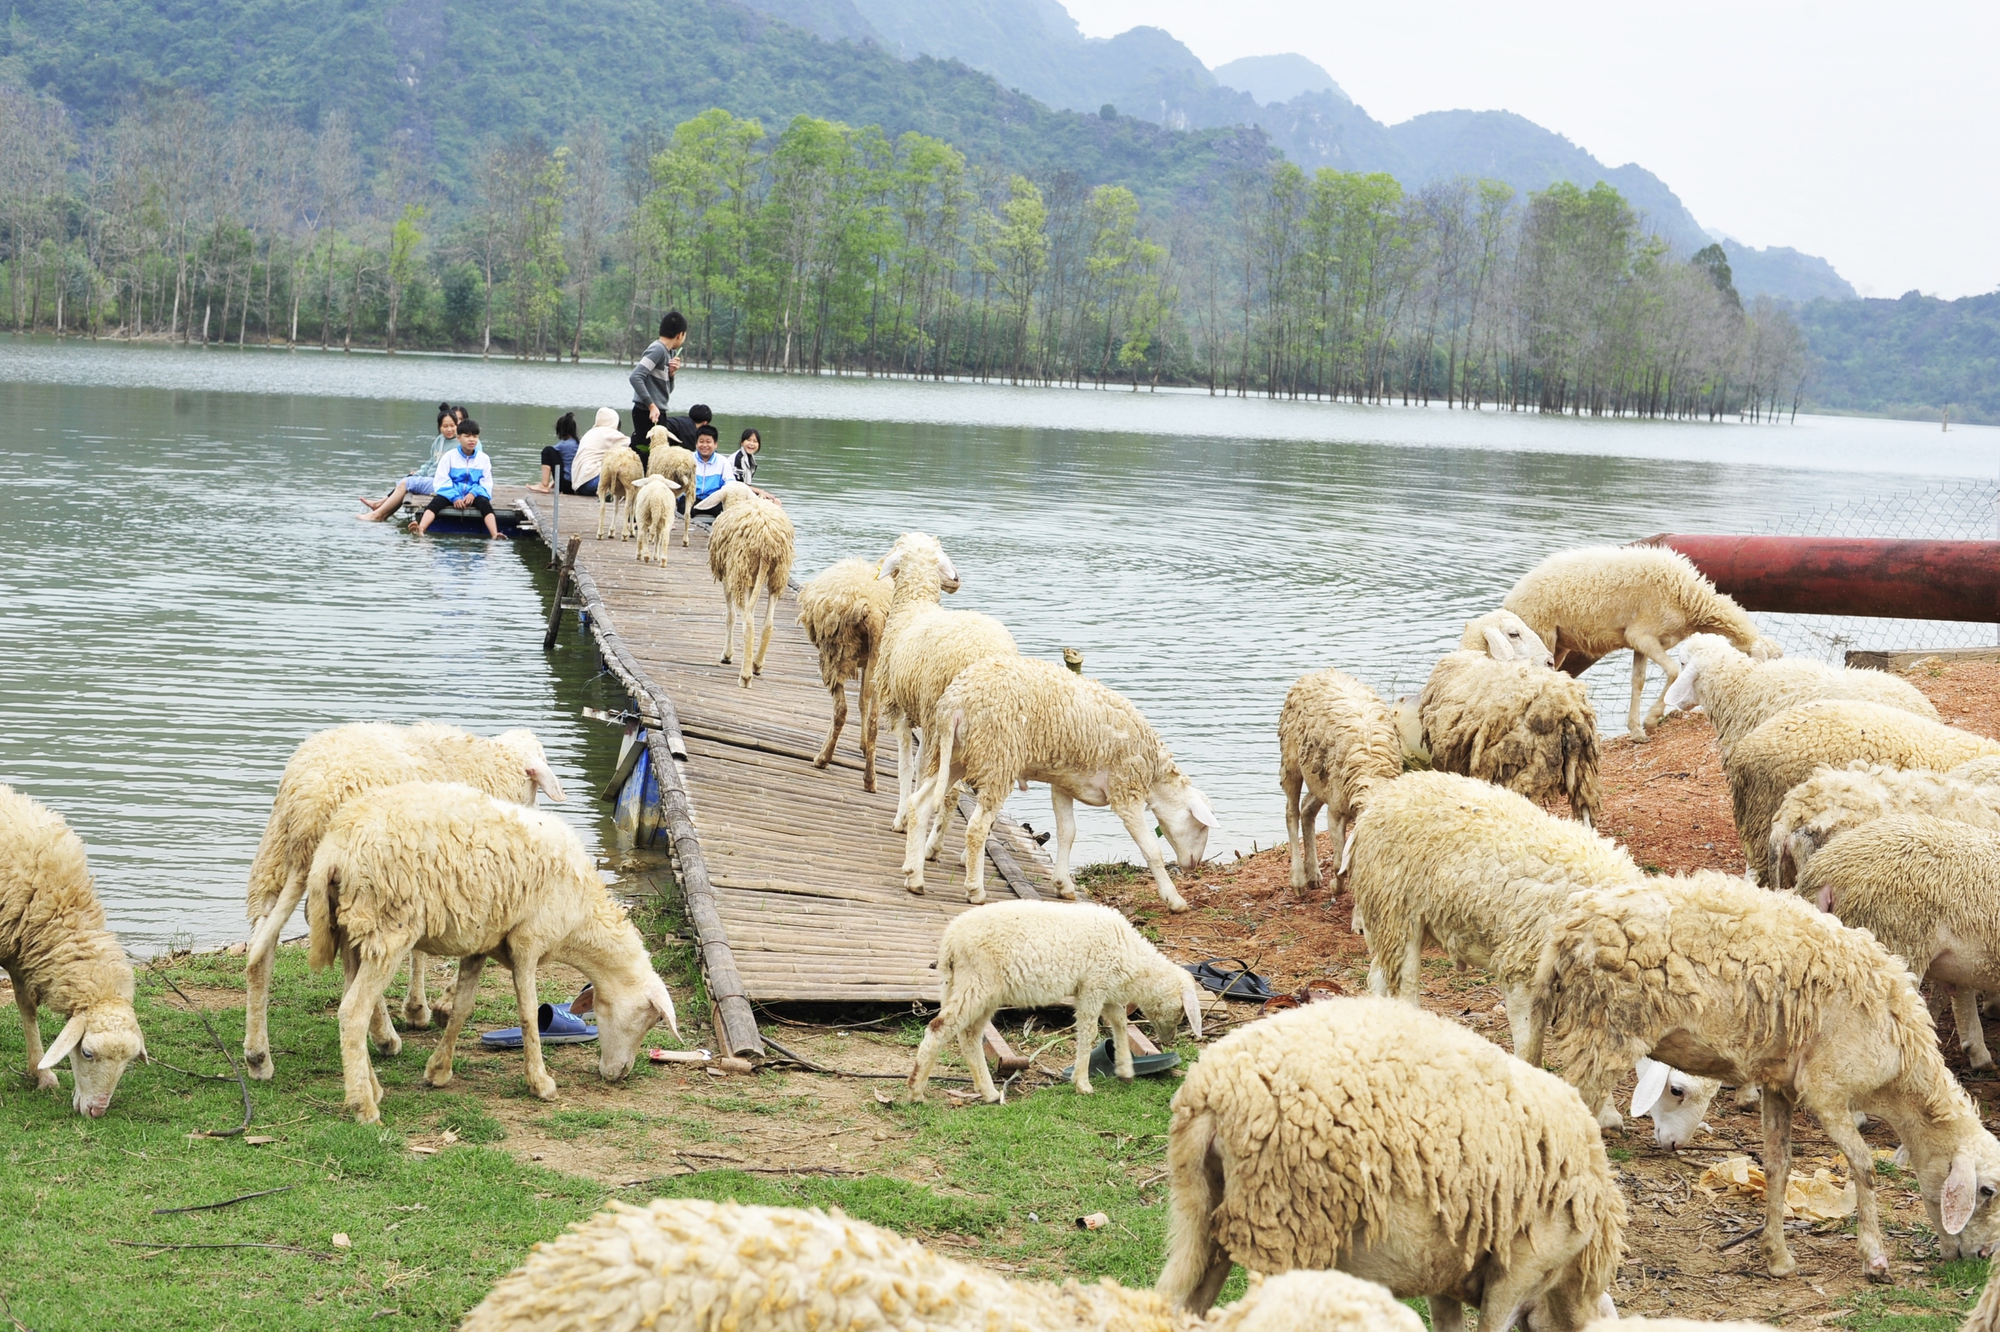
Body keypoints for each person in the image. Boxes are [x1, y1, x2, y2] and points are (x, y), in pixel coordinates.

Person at [416, 419, 503, 539]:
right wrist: (455, 496)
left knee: (485, 504)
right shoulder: (449, 457)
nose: (472, 440)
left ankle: (494, 534)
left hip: (473, 494)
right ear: (459, 438)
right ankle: (421, 529)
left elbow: (486, 482)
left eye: (475, 436)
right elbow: (441, 480)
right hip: (452, 492)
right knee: (436, 502)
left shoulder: (484, 459)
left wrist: (473, 493)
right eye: (467, 436)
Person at [629, 311, 688, 461]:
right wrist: (651, 405)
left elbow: (665, 391)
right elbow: (636, 377)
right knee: (647, 456)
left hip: (657, 411)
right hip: (646, 412)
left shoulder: (669, 353)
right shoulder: (658, 350)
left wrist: (671, 375)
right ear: (680, 334)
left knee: (657, 456)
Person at [568, 407, 629, 498]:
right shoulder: (608, 433)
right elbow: (631, 444)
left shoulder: (590, 433)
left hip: (579, 485)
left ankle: (605, 490)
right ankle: (605, 490)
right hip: (593, 482)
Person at [682, 424, 733, 521]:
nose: (704, 445)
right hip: (692, 498)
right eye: (701, 441)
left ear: (715, 444)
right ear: (696, 444)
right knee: (683, 511)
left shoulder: (723, 462)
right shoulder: (688, 459)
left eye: (708, 442)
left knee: (726, 516)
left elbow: (730, 484)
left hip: (714, 500)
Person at [528, 412, 581, 494]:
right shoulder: (578, 443)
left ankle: (544, 485)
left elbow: (550, 458)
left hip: (566, 486)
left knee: (547, 451)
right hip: (576, 485)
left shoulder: (563, 445)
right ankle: (548, 484)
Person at [728, 427, 780, 504]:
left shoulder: (751, 459)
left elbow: (747, 486)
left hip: (744, 492)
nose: (751, 444)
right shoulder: (738, 458)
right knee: (774, 502)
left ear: (758, 444)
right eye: (748, 440)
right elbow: (739, 486)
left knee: (776, 501)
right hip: (734, 495)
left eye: (755, 441)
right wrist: (761, 492)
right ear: (742, 442)